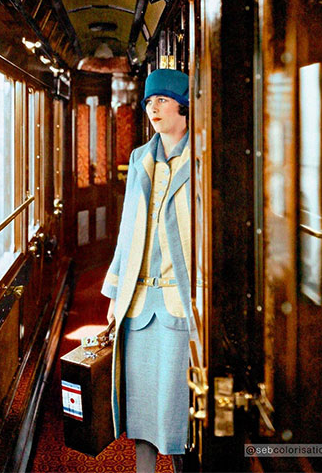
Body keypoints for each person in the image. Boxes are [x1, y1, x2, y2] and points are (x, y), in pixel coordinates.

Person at [101, 68, 197, 473]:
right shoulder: (140, 157)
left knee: (177, 414)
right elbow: (126, 231)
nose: (153, 109)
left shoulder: (202, 156)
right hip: (138, 302)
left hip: (180, 301)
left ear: (183, 105)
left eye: (161, 100)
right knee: (139, 410)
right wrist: (114, 293)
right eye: (148, 102)